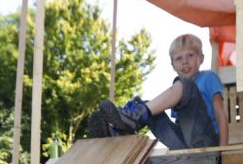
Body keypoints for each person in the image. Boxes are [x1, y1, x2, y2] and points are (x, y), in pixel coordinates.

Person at [89, 33, 229, 150]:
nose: (185, 61)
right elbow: (181, 125)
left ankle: (136, 116)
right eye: (179, 58)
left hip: (207, 143)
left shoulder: (208, 77)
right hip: (184, 144)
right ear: (173, 65)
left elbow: (221, 115)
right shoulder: (177, 88)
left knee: (185, 86)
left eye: (190, 55)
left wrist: (223, 153)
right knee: (149, 107)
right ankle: (119, 132)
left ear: (201, 58)